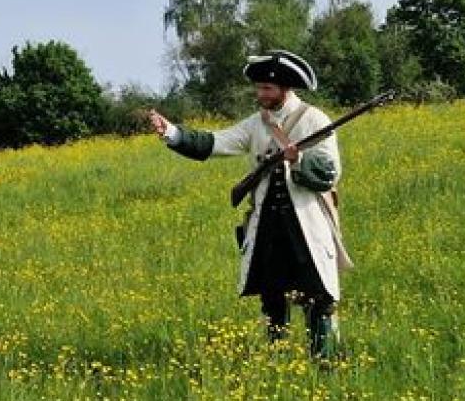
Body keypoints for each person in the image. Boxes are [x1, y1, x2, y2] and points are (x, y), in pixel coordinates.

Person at [147, 50, 351, 361]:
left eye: (266, 89)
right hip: (268, 226)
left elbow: (330, 173)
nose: (260, 94)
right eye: (258, 88)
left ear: (285, 88)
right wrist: (172, 133)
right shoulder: (258, 123)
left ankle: (325, 364)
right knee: (272, 296)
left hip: (307, 225)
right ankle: (277, 362)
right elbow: (216, 142)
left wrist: (299, 159)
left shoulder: (315, 119)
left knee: (318, 296)